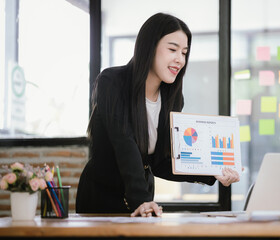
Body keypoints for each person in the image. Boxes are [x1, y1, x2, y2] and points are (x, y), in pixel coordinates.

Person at [76, 12, 240, 217]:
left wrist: (212, 171)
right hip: (102, 200)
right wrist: (142, 200)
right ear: (149, 46)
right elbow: (125, 143)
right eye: (172, 49)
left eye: (184, 52)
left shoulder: (173, 99)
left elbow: (161, 163)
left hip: (142, 204)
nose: (180, 59)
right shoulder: (112, 81)